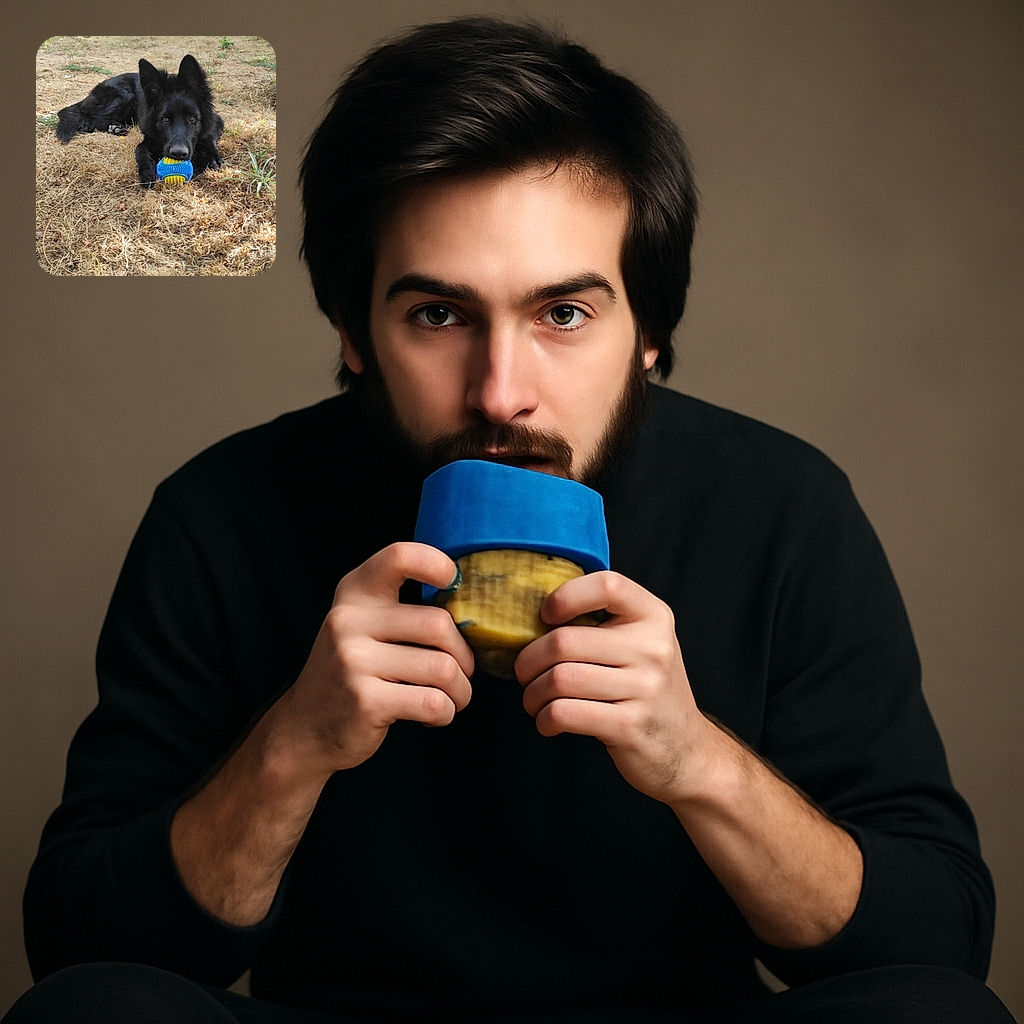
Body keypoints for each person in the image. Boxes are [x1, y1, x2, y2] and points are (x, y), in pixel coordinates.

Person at [6, 16, 1015, 1024]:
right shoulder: (220, 513)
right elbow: (82, 953)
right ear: (354, 332)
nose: (500, 393)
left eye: (563, 314)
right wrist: (294, 743)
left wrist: (699, 762)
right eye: (437, 315)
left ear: (649, 331)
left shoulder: (782, 507)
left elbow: (935, 947)